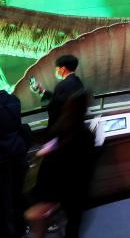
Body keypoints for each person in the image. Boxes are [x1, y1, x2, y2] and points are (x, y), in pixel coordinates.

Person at [25, 91, 97, 238]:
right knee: (74, 222)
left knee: (52, 219)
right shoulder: (85, 134)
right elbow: (85, 162)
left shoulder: (61, 125)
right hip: (75, 188)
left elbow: (56, 146)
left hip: (57, 185)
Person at [28, 55, 84, 135]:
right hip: (75, 126)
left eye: (57, 68)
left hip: (63, 130)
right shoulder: (78, 82)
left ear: (62, 69)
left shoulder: (62, 86)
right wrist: (42, 91)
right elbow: (60, 99)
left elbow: (54, 108)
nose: (56, 71)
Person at [0, 89, 27, 238]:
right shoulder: (14, 100)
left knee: (5, 201)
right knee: (18, 194)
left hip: (3, 159)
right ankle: (21, 228)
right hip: (17, 153)